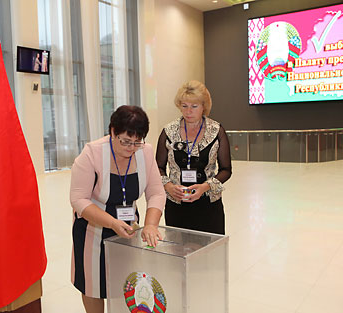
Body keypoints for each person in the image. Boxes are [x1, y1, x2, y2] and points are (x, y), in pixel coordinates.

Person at [70, 105, 166, 313]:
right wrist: (112, 223)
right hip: (92, 229)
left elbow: (157, 192)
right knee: (93, 284)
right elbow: (78, 199)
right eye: (125, 141)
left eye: (136, 142)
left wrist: (150, 225)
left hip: (128, 230)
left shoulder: (146, 152)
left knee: (126, 282)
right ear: (112, 131)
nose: (131, 148)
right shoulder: (92, 154)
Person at [155, 80, 232, 235]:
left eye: (194, 106)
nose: (188, 111)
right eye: (184, 106)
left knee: (210, 254)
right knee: (178, 252)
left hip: (208, 204)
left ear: (204, 106)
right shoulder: (168, 131)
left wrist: (204, 187)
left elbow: (226, 170)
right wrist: (169, 186)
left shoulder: (216, 131)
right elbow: (158, 167)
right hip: (176, 204)